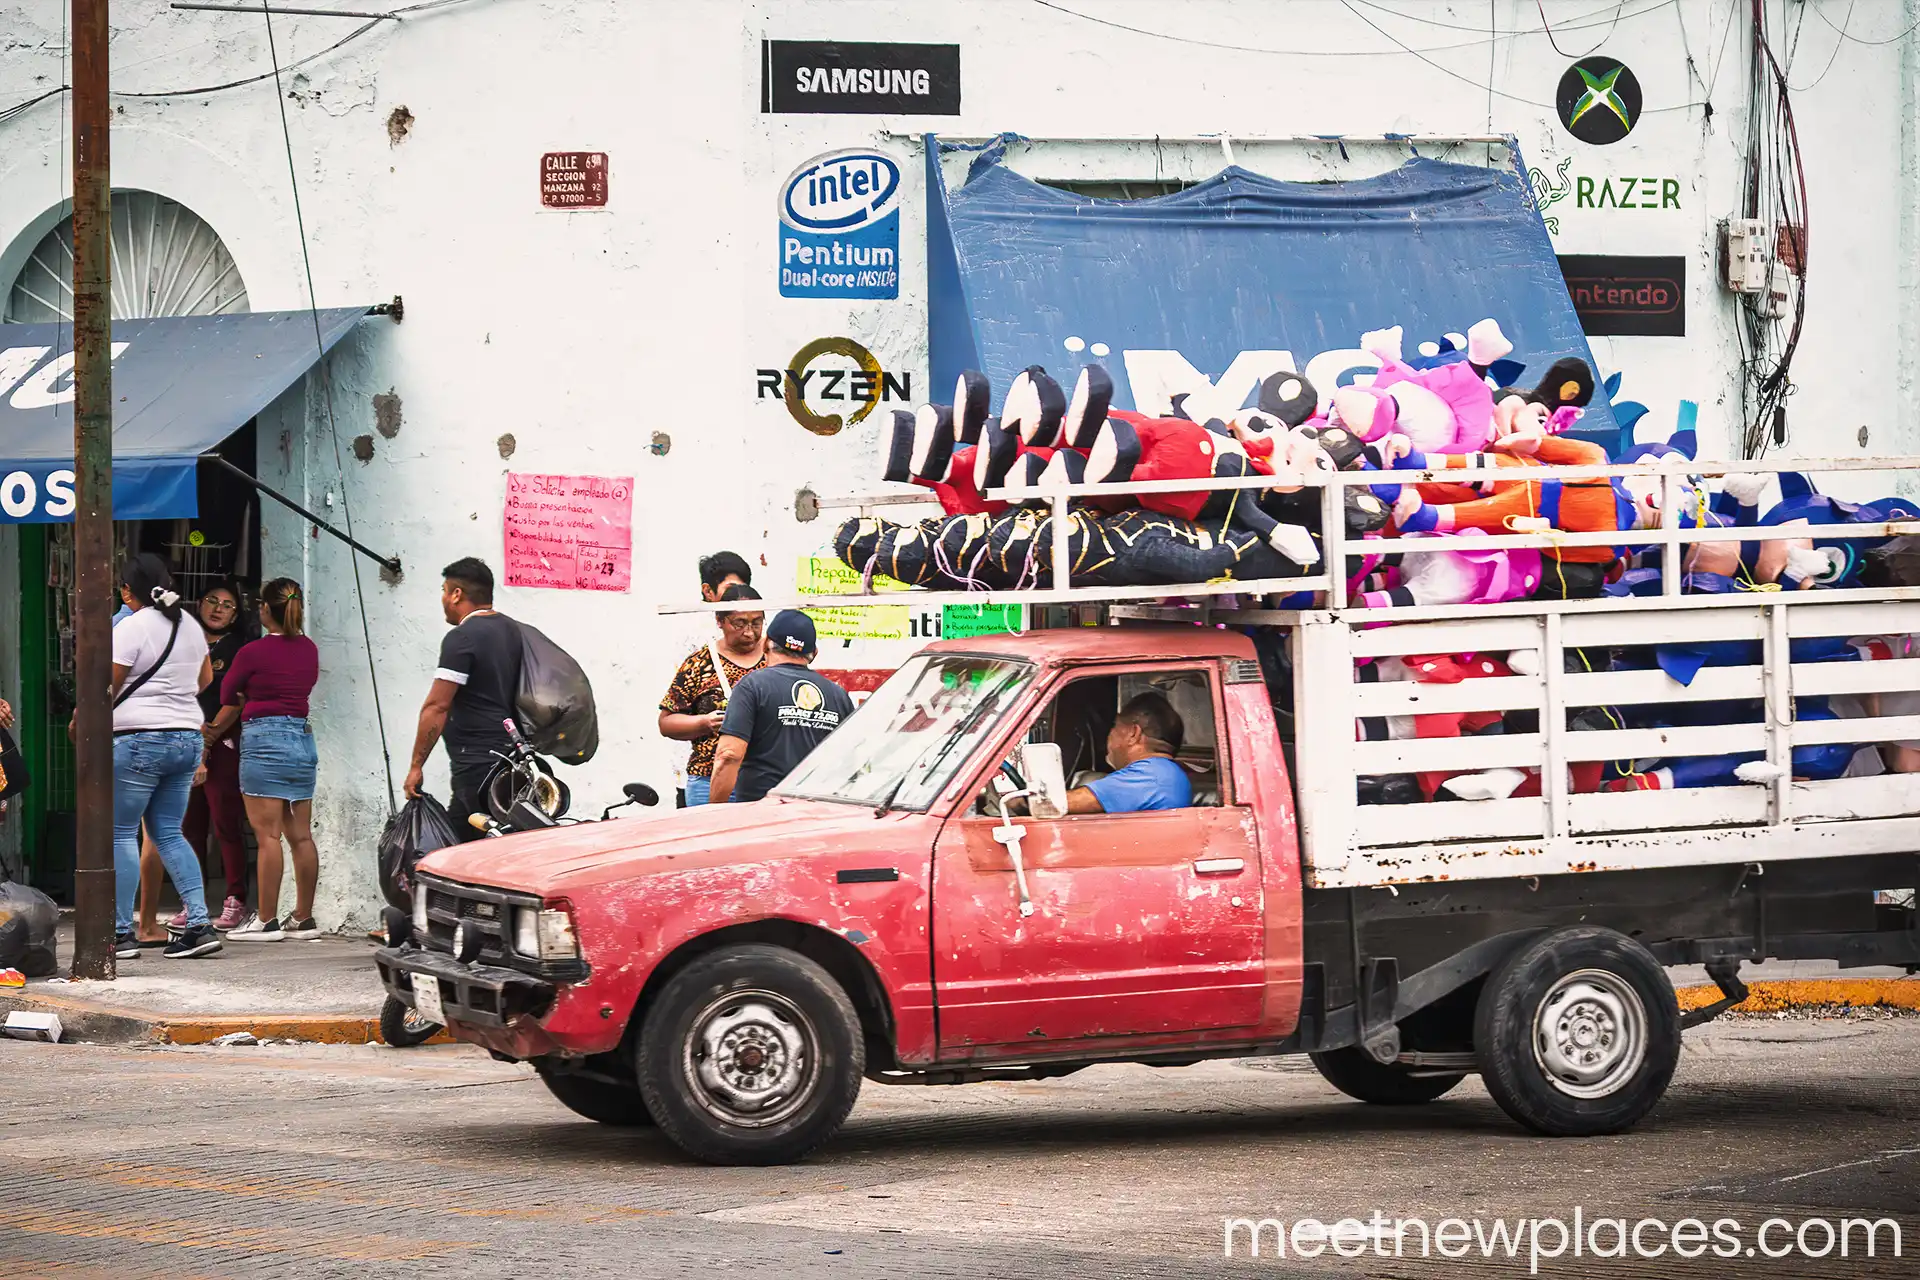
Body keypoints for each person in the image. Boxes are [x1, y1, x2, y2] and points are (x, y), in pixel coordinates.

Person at [108, 553, 220, 959]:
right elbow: (206, 679)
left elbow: (110, 685)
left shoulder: (130, 626)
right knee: (169, 832)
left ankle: (121, 934)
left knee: (121, 832)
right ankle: (200, 925)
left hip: (138, 738)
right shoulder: (188, 623)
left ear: (126, 591)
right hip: (187, 739)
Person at [213, 579, 322, 941]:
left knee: (267, 836)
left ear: (264, 610)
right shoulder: (309, 649)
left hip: (264, 740)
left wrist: (250, 691)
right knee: (300, 836)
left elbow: (228, 692)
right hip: (301, 740)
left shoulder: (252, 652)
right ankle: (303, 918)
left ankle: (266, 919)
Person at [148, 583, 253, 934]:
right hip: (181, 740)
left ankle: (235, 898)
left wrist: (209, 736)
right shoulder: (182, 640)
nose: (218, 609)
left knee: (225, 822)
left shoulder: (240, 648)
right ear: (199, 603)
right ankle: (192, 903)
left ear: (236, 615)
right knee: (188, 824)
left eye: (227, 605)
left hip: (222, 743)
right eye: (212, 601)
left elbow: (236, 699)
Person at [404, 558, 522, 840]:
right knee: (473, 835)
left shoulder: (462, 638)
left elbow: (437, 706)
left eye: (445, 590)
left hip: (477, 763)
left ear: (457, 594)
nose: (443, 598)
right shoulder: (512, 630)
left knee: (470, 848)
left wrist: (416, 766)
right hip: (512, 757)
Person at [710, 610, 852, 804]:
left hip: (761, 812)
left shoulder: (752, 686)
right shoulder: (838, 695)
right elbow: (849, 762)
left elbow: (729, 755)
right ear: (814, 653)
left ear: (766, 643)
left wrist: (716, 811)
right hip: (817, 813)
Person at [658, 584, 767, 805]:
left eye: (756, 623)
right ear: (720, 621)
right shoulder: (699, 664)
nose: (749, 632)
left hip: (764, 781)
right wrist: (705, 722)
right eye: (739, 623)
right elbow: (666, 723)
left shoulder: (774, 658)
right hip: (708, 780)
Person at [1063, 693, 1192, 815]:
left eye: (1115, 726)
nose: (1110, 734)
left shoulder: (1149, 777)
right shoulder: (1165, 772)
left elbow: (1054, 804)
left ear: (1133, 733)